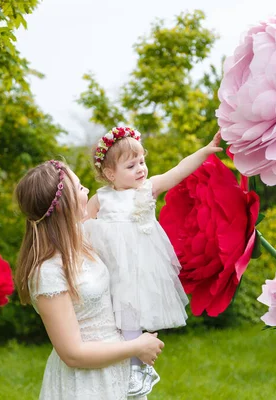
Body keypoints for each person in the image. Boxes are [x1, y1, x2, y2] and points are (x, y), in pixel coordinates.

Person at [84, 126, 222, 396]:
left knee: (131, 314)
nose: (140, 169)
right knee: (113, 320)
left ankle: (138, 367)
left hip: (139, 267)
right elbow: (78, 227)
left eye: (142, 162)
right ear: (110, 174)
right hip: (108, 266)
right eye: (131, 165)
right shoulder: (101, 198)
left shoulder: (147, 189)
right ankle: (126, 363)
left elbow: (178, 171)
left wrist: (204, 151)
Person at [14, 159, 164, 400]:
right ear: (64, 205)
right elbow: (73, 353)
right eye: (80, 187)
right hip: (86, 382)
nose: (87, 191)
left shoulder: (81, 238)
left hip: (116, 366)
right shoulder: (48, 273)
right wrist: (136, 347)